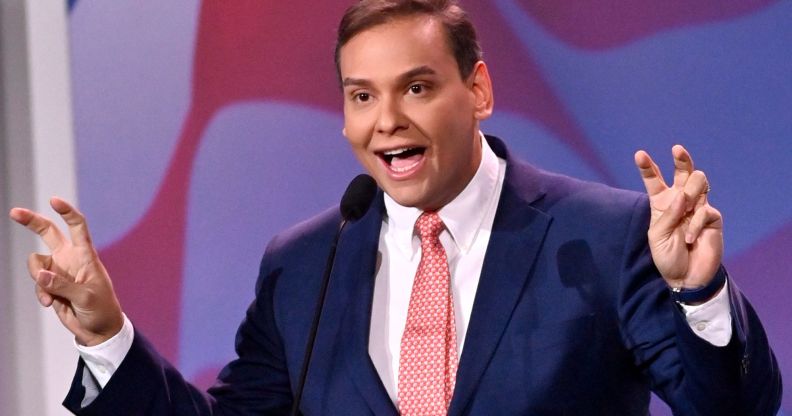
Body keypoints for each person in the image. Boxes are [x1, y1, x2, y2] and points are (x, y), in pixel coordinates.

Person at [8, 0, 781, 414]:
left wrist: (701, 296)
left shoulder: (603, 235)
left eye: (416, 87)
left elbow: (732, 408)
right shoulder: (306, 264)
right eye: (361, 97)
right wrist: (108, 336)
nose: (388, 121)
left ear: (477, 90)